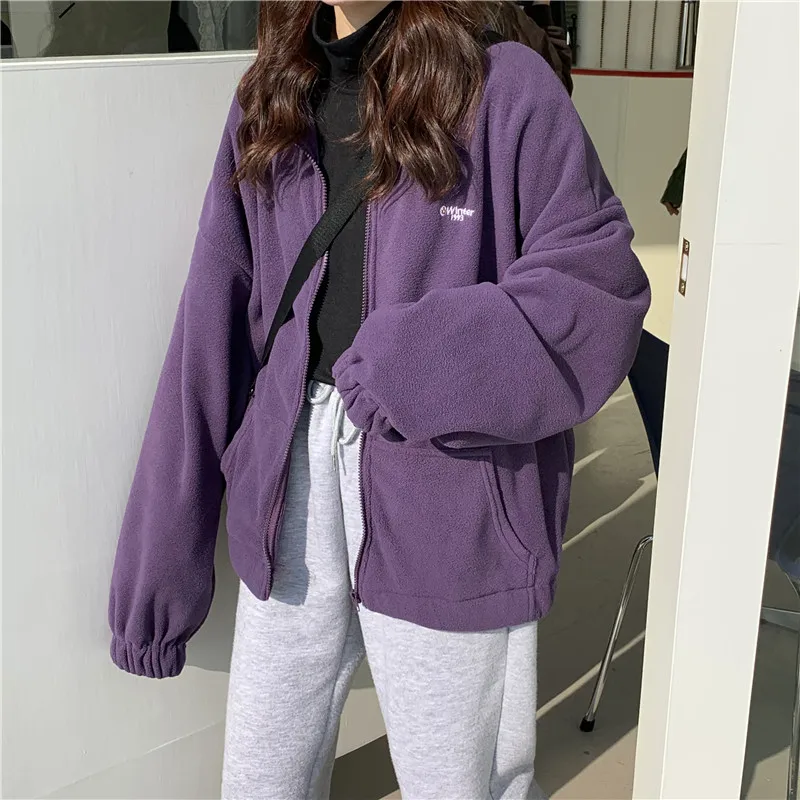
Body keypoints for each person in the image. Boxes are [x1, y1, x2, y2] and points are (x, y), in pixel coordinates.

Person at [108, 2, 649, 797]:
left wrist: (415, 362)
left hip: (452, 491)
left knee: (457, 786)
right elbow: (211, 319)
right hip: (289, 484)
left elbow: (599, 291)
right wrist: (157, 568)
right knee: (259, 780)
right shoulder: (271, 95)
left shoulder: (504, 88)